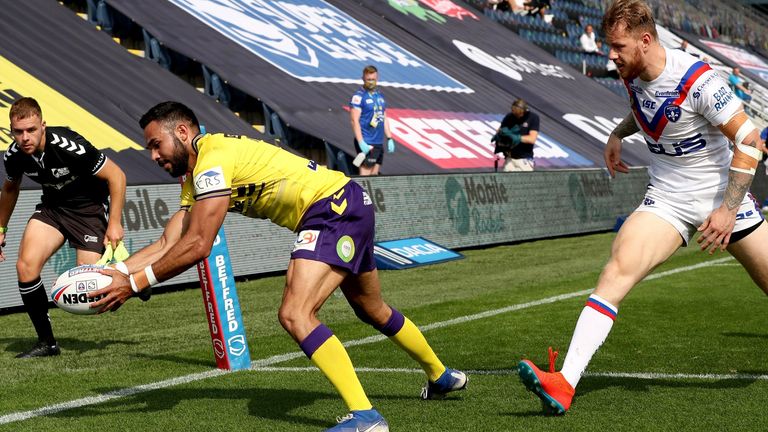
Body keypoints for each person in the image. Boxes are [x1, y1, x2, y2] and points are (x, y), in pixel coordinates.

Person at [91, 101, 467, 431]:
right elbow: (169, 242)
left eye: (156, 144)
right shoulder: (194, 177)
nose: (153, 155)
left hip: (330, 210)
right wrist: (121, 272)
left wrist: (137, 283)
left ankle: (365, 417)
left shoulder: (213, 159)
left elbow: (199, 245)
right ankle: (441, 375)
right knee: (372, 308)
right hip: (348, 203)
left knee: (295, 313)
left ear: (183, 132)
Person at [517, 0, 766, 415]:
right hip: (667, 198)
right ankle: (564, 383)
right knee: (616, 270)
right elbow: (645, 106)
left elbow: (750, 141)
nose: (609, 55)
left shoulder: (699, 80)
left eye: (617, 46)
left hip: (723, 199)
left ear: (645, 41)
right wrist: (617, 133)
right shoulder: (633, 72)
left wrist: (726, 210)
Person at [0, 97, 126, 358]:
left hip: (88, 210)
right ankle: (47, 343)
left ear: (43, 125)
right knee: (25, 266)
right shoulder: (14, 155)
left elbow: (117, 176)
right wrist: (0, 229)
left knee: (92, 288)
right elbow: (10, 188)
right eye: (18, 131)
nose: (24, 137)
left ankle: (134, 279)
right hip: (53, 209)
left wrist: (114, 223)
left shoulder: (69, 145)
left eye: (31, 130)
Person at [349, 65, 395, 176]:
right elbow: (354, 120)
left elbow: (383, 116)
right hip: (367, 141)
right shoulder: (359, 96)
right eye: (368, 80)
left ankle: (369, 194)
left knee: (374, 175)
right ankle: (360, 194)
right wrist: (361, 142)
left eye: (373, 79)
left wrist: (389, 137)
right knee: (365, 174)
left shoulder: (379, 96)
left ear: (377, 79)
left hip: (378, 142)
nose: (371, 82)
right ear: (363, 79)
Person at [492, 99, 539, 172]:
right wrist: (500, 136)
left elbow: (532, 139)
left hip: (523, 159)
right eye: (514, 114)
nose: (516, 116)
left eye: (518, 114)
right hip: (509, 158)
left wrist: (516, 138)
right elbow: (500, 130)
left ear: (523, 111)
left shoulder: (532, 118)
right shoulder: (509, 116)